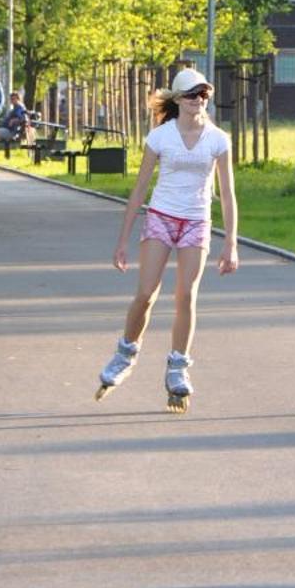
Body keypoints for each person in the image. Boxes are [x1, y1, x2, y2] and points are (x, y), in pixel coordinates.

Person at [96, 68, 238, 414]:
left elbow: (229, 195)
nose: (198, 100)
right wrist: (122, 240)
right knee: (146, 293)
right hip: (161, 216)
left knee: (186, 294)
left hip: (196, 221)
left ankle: (178, 367)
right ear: (177, 99)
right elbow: (140, 188)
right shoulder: (160, 137)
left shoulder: (218, 139)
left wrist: (231, 242)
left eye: (203, 93)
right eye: (191, 94)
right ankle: (126, 351)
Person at [0, 89, 30, 158]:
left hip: (11, 132)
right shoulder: (15, 107)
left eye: (13, 99)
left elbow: (23, 118)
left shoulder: (19, 107)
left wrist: (14, 120)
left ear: (18, 99)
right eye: (11, 99)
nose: (12, 101)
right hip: (7, 129)